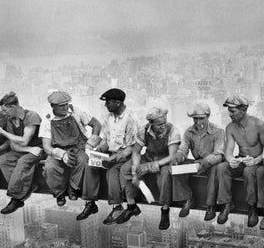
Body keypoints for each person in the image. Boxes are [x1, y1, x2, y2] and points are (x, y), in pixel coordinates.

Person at [80, 88, 138, 222]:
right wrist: (99, 150)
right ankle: (90, 203)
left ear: (118, 103)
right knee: (90, 166)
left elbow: (132, 147)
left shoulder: (131, 120)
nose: (106, 105)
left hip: (125, 156)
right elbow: (106, 140)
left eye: (108, 103)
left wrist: (115, 158)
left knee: (111, 172)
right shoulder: (108, 118)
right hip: (110, 154)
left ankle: (117, 207)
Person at [120, 107, 181, 230]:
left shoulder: (173, 131)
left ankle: (165, 210)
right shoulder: (143, 130)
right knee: (125, 169)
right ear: (151, 123)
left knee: (165, 175)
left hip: (164, 160)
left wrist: (151, 166)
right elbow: (136, 152)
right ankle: (131, 205)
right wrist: (135, 170)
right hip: (149, 156)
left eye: (164, 122)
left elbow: (172, 156)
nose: (163, 126)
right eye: (159, 124)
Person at [39, 90, 101, 208]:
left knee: (83, 162)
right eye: (61, 106)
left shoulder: (76, 111)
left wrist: (90, 145)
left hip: (78, 147)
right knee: (49, 168)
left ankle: (73, 188)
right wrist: (62, 155)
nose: (65, 108)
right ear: (53, 106)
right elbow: (46, 147)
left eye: (66, 104)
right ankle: (59, 193)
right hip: (58, 150)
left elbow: (97, 125)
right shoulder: (47, 120)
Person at [214, 95, 264, 227]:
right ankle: (226, 204)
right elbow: (228, 151)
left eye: (233, 111)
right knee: (222, 168)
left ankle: (252, 207)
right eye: (229, 111)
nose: (229, 114)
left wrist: (256, 161)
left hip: (257, 161)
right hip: (242, 159)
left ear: (243, 110)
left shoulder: (259, 125)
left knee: (249, 172)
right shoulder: (230, 128)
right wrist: (231, 160)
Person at [0, 92, 44, 215]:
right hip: (26, 150)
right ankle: (28, 187)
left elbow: (24, 140)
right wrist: (27, 150)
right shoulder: (10, 120)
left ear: (13, 107)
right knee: (3, 160)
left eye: (5, 110)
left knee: (23, 161)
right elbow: (13, 144)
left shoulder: (31, 116)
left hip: (39, 149)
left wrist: (3, 132)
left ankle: (16, 198)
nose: (4, 113)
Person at [171, 102, 225, 220]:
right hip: (197, 163)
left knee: (214, 170)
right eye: (195, 119)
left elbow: (219, 154)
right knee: (176, 170)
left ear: (208, 116)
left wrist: (205, 162)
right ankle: (188, 197)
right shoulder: (189, 132)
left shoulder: (218, 131)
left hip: (212, 162)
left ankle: (210, 205)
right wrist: (177, 158)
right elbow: (183, 150)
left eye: (201, 118)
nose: (198, 122)